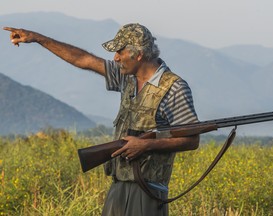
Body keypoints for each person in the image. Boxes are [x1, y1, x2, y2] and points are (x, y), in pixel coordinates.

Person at [3, 23, 200, 216]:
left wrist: (146, 145)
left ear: (138, 55)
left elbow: (192, 140)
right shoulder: (127, 77)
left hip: (148, 189)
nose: (115, 58)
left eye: (120, 52)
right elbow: (83, 59)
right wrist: (38, 38)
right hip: (119, 184)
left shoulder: (175, 88)